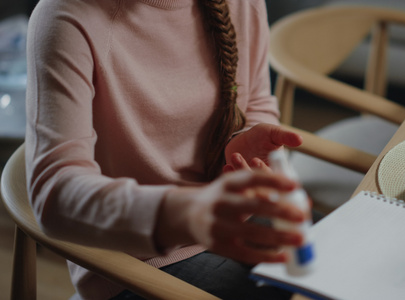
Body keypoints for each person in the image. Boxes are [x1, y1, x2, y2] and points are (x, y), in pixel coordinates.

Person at [25, 0, 308, 299]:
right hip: (135, 260)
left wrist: (244, 136)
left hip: (230, 216)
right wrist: (185, 213)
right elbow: (54, 193)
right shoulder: (65, 17)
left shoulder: (244, 5)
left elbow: (258, 101)